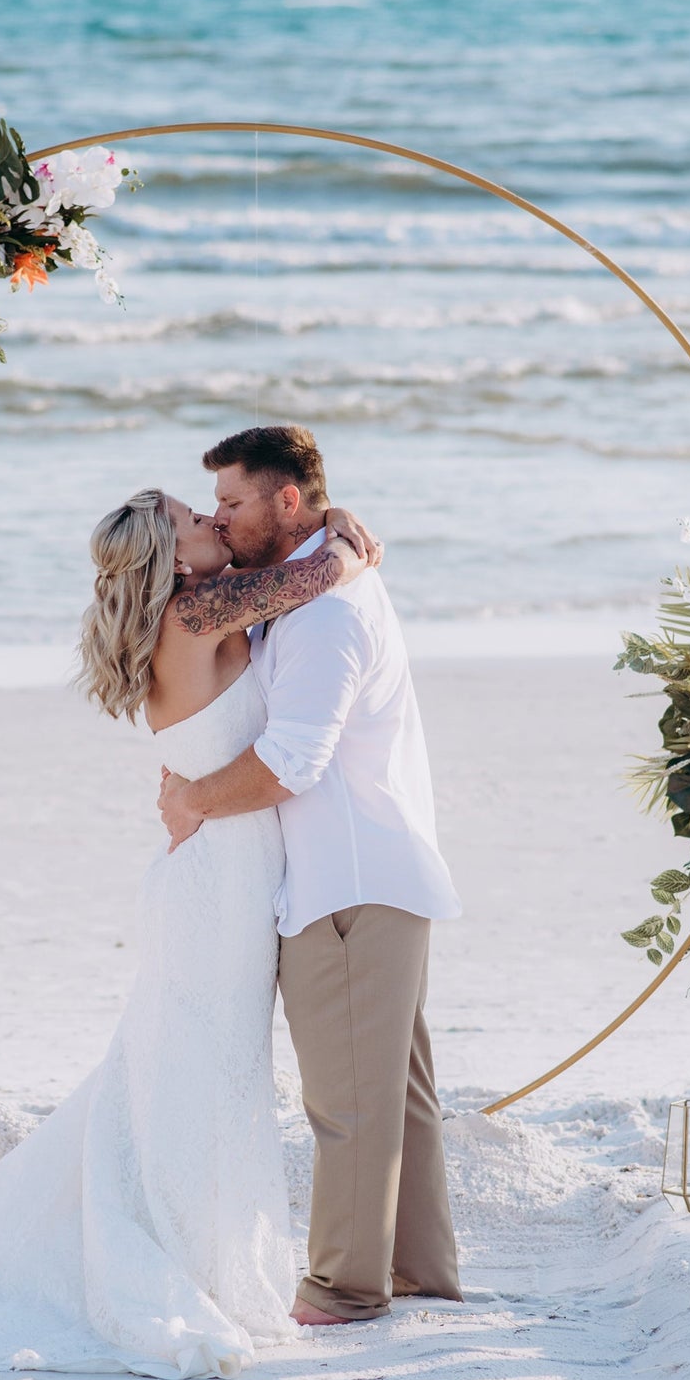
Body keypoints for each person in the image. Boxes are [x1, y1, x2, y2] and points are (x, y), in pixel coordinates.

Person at [0, 485, 378, 1380]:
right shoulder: (194, 612)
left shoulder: (188, 613)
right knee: (202, 1077)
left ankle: (199, 1257)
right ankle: (185, 1266)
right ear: (172, 556)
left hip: (217, 876)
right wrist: (344, 533)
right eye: (195, 520)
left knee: (187, 1073)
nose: (213, 520)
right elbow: (320, 577)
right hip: (215, 887)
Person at [159, 425, 464, 1326]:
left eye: (231, 501)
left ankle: (344, 1285)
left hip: (348, 881)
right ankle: (417, 1268)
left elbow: (292, 760)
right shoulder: (306, 591)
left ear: (287, 500)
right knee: (396, 1093)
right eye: (210, 506)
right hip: (372, 871)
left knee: (348, 1102)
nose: (219, 516)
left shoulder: (323, 614)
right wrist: (339, 532)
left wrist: (193, 801)